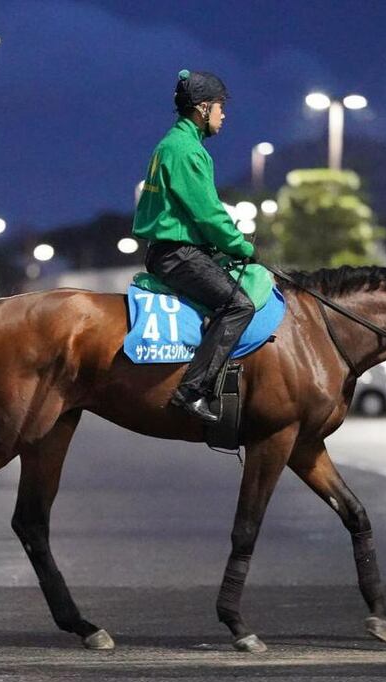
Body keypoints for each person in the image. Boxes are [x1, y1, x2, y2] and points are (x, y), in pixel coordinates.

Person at [132, 69, 256, 423]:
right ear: (202, 108)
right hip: (178, 255)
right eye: (220, 107)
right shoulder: (186, 150)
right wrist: (239, 245)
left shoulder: (176, 144)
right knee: (238, 305)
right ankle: (191, 391)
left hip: (176, 251)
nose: (223, 114)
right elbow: (207, 214)